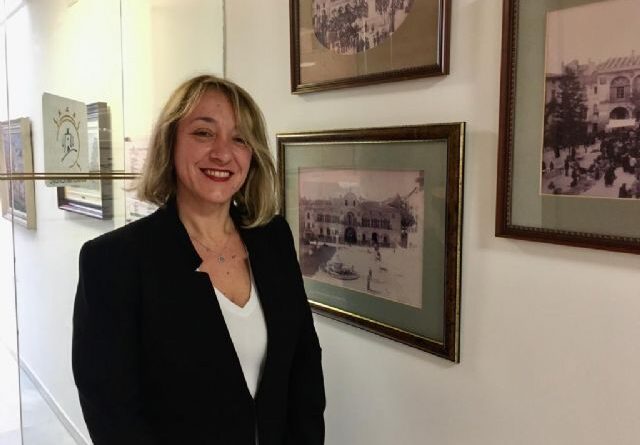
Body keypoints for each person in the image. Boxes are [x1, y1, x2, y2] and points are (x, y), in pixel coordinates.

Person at [72, 75, 326, 444]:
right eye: (204, 133)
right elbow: (112, 416)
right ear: (170, 142)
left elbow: (304, 368)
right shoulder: (114, 262)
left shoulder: (273, 239)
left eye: (240, 139)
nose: (223, 153)